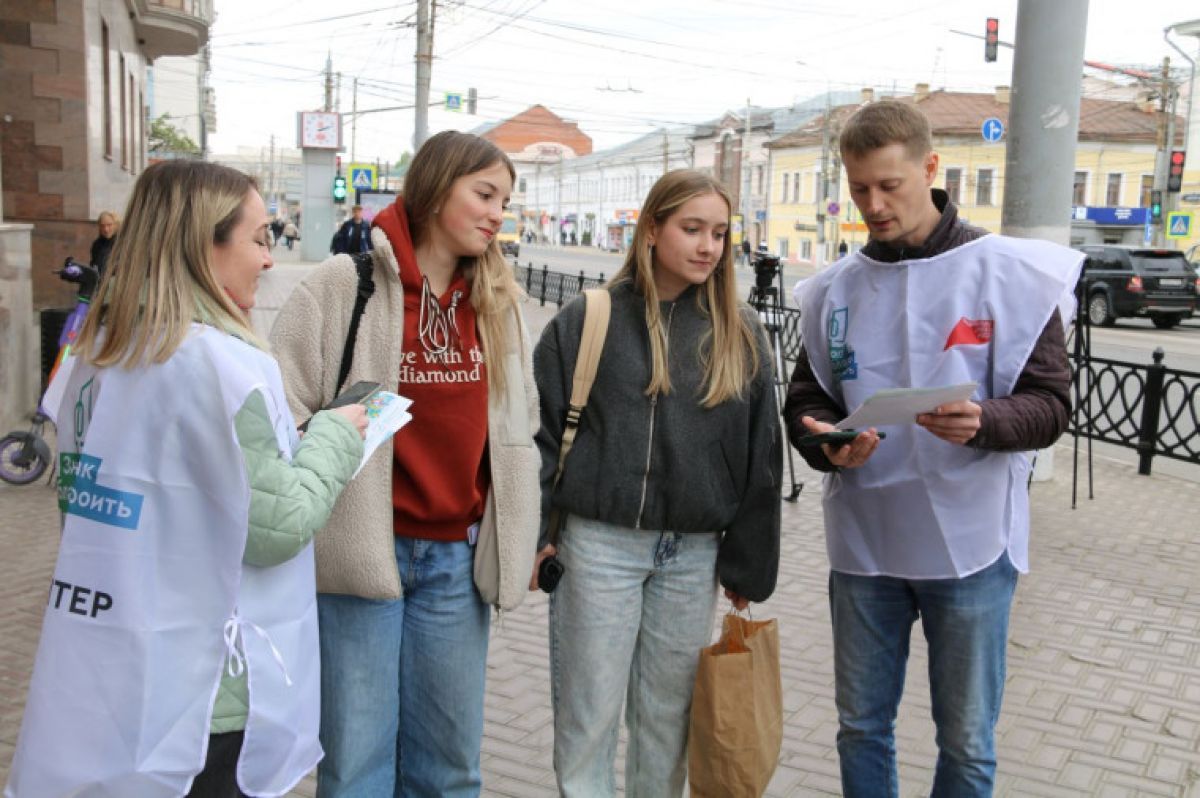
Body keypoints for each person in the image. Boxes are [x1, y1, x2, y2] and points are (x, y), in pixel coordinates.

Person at [5, 160, 368, 798]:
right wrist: (337, 436)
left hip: (109, 660)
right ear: (206, 245)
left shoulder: (98, 350)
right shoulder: (221, 365)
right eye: (259, 239)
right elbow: (275, 527)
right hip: (204, 686)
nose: (268, 260)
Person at [783, 100, 1081, 797]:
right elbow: (806, 399)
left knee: (968, 742)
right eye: (859, 189)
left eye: (891, 184)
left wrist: (987, 422)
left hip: (970, 544)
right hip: (866, 544)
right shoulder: (834, 289)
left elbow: (1052, 403)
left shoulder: (1009, 274)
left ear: (931, 167)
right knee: (861, 726)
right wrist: (825, 445)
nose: (874, 204)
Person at [269, 130, 541, 797]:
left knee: (448, 770)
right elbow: (281, 409)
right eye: (484, 194)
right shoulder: (345, 285)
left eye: (504, 200)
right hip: (362, 552)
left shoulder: (496, 303)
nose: (496, 213)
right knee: (357, 765)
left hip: (456, 561)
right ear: (433, 188)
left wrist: (519, 530)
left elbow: (518, 428)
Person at [532, 169, 782, 797]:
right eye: (691, 229)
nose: (707, 246)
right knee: (588, 721)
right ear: (651, 229)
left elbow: (762, 457)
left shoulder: (739, 331)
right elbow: (537, 435)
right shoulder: (587, 319)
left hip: (691, 554)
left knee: (666, 727)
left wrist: (748, 566)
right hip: (598, 547)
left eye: (720, 233)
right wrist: (536, 533)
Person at [89, 210, 118, 278]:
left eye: (109, 225)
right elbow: (94, 265)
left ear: (115, 225)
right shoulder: (96, 244)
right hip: (100, 284)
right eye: (102, 226)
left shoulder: (122, 243)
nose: (106, 229)